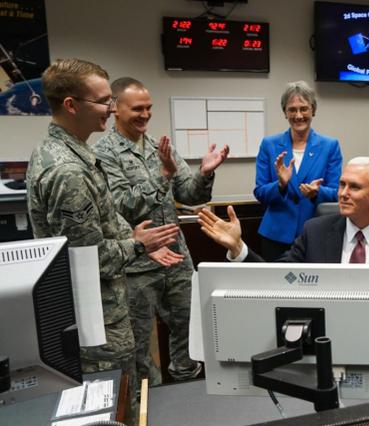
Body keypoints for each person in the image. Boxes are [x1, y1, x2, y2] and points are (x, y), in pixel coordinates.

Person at [26, 59, 182, 423]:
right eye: (103, 101)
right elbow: (89, 258)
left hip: (100, 313)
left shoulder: (68, 151)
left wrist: (136, 237)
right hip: (96, 324)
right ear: (71, 104)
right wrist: (139, 245)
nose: (111, 109)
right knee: (110, 409)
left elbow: (105, 219)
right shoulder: (68, 171)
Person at [93, 77, 229, 386]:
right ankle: (150, 404)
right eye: (137, 108)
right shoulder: (104, 154)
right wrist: (163, 177)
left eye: (149, 107)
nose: (145, 114)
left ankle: (187, 393)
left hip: (177, 259)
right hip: (137, 266)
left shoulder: (159, 146)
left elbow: (191, 195)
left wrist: (205, 173)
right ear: (115, 108)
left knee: (191, 331)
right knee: (140, 347)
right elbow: (123, 206)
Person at [199, 157, 369, 268]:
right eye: (341, 185)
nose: (342, 193)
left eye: (354, 187)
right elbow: (276, 278)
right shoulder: (315, 232)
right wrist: (239, 249)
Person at [254, 80, 342, 260]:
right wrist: (280, 185)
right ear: (285, 112)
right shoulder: (269, 145)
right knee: (275, 286)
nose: (298, 115)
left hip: (316, 234)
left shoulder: (330, 146)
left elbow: (337, 193)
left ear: (313, 110)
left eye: (304, 108)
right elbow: (260, 192)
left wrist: (317, 192)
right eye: (292, 109)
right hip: (275, 236)